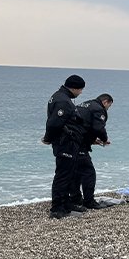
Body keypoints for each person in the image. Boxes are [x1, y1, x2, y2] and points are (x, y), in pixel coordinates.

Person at [42, 74, 86, 218]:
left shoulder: (60, 96)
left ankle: (66, 203)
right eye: (80, 90)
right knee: (63, 174)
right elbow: (54, 123)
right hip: (64, 143)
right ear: (74, 88)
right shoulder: (63, 101)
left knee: (70, 173)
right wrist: (48, 138)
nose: (81, 93)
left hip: (68, 142)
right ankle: (56, 208)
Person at [71, 93, 114, 210]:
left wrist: (91, 140)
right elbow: (98, 128)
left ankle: (75, 198)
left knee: (76, 171)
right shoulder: (98, 109)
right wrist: (104, 140)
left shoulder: (85, 104)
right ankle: (89, 201)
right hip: (78, 144)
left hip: (70, 141)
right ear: (105, 102)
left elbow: (83, 125)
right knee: (88, 172)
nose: (107, 109)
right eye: (108, 106)